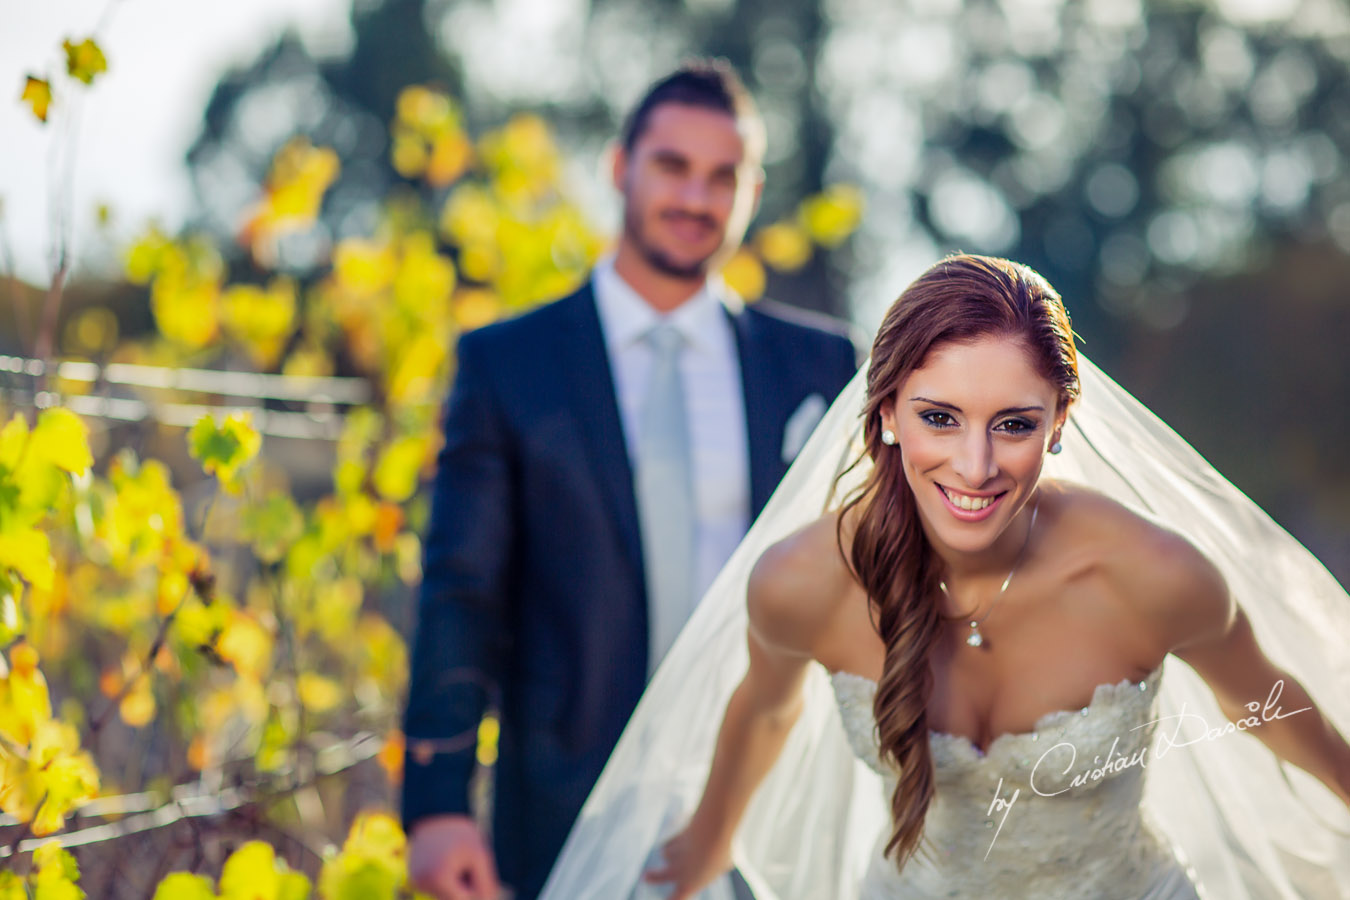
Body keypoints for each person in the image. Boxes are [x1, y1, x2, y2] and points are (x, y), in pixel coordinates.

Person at [541, 254, 1350, 899]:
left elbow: (1258, 699)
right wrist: (711, 838)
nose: (975, 466)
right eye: (939, 417)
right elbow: (763, 710)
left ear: (1060, 423)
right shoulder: (799, 583)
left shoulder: (1157, 575)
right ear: (887, 412)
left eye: (1014, 425)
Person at [401, 59, 860, 900]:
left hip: (775, 814)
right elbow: (460, 591)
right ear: (620, 169)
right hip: (569, 803)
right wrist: (436, 802)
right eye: (672, 167)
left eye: (724, 176)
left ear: (752, 191)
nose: (696, 199)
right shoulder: (509, 365)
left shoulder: (821, 366)